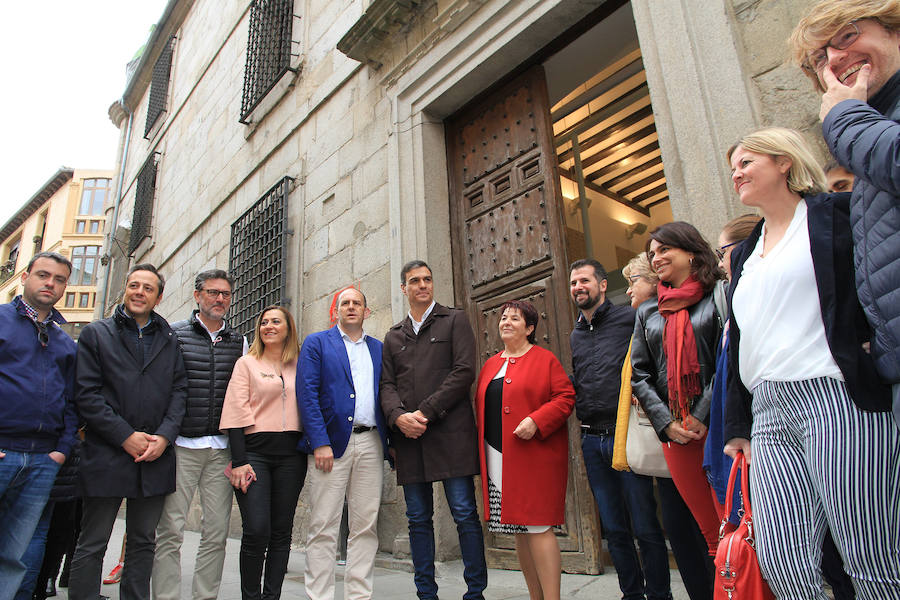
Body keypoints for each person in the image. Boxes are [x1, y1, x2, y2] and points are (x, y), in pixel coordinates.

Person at [724, 127, 899, 598]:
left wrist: (874, 345)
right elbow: (743, 338)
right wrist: (737, 425)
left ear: (784, 162)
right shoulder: (744, 253)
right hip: (768, 409)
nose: (736, 173)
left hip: (834, 395)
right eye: (732, 167)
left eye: (746, 162)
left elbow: (878, 281)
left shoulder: (836, 215)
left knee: (871, 556)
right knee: (782, 561)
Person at [789, 0, 900, 428]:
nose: (835, 58)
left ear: (893, 29)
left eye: (848, 35)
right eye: (820, 58)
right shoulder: (874, 124)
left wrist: (844, 118)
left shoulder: (856, 126)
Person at [68, 264, 188, 600]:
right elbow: (87, 395)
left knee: (143, 542)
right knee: (93, 542)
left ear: (158, 297)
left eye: (148, 288)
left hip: (154, 455)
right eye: (134, 285)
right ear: (125, 289)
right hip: (107, 453)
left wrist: (164, 437)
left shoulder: (169, 339)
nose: (139, 292)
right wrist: (125, 435)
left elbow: (180, 391)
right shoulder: (97, 334)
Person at [380, 260, 487, 600]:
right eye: (415, 280)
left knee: (465, 514)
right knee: (417, 520)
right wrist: (398, 417)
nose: (423, 285)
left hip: (451, 434)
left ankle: (475, 592)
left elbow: (464, 371)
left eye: (427, 279)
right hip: (410, 441)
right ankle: (425, 593)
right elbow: (386, 385)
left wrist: (423, 413)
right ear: (404, 288)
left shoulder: (454, 319)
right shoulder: (393, 335)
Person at [568, 259, 672, 600]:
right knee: (614, 528)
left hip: (625, 434)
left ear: (601, 285)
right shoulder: (575, 334)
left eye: (584, 280)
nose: (578, 287)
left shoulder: (631, 318)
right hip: (590, 439)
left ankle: (659, 594)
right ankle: (631, 594)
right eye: (573, 283)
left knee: (645, 525)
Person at [620, 253, 715, 600]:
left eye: (633, 282)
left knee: (707, 529)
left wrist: (696, 415)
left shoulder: (703, 309)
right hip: (668, 441)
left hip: (699, 433)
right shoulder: (641, 322)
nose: (629, 292)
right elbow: (641, 377)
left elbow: (718, 364)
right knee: (679, 531)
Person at [630, 222, 725, 560]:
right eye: (651, 254)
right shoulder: (648, 311)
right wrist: (666, 423)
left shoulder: (719, 295)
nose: (656, 258)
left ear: (690, 250)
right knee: (711, 536)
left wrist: (701, 414)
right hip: (676, 434)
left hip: (719, 427)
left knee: (737, 528)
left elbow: (729, 361)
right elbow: (639, 374)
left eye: (664, 249)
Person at [152, 269, 246, 600]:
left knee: (216, 532)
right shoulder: (173, 335)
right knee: (170, 530)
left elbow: (241, 397)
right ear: (197, 295)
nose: (219, 299)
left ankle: (205, 596)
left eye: (225, 294)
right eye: (212, 292)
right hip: (180, 448)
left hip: (221, 450)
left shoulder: (240, 342)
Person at [474, 300, 573, 600]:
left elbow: (565, 397)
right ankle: (535, 596)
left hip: (535, 457)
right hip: (497, 456)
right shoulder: (491, 364)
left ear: (530, 328)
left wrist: (535, 420)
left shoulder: (545, 359)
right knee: (518, 526)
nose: (506, 322)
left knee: (539, 525)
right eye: (503, 317)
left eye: (515, 319)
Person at [297, 287, 389, 600]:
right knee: (324, 523)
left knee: (365, 524)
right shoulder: (317, 343)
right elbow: (306, 394)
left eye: (357, 303)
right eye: (344, 303)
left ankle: (358, 595)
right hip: (331, 445)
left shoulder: (378, 348)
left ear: (367, 311)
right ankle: (319, 594)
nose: (350, 307)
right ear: (335, 310)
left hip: (371, 442)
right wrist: (319, 441)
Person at [0, 252, 77, 600]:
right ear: (25, 277)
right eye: (44, 275)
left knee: (18, 554)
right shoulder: (1, 321)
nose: (51, 283)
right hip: (4, 451)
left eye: (59, 279)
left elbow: (72, 401)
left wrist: (61, 450)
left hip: (43, 461)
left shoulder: (63, 342)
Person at [219, 305, 304, 600]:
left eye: (276, 321)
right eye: (264, 322)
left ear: (288, 328)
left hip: (292, 457)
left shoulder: (300, 363)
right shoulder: (247, 363)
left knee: (282, 532)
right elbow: (234, 410)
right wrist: (239, 460)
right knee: (256, 530)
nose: (269, 326)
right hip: (254, 455)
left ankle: (272, 596)